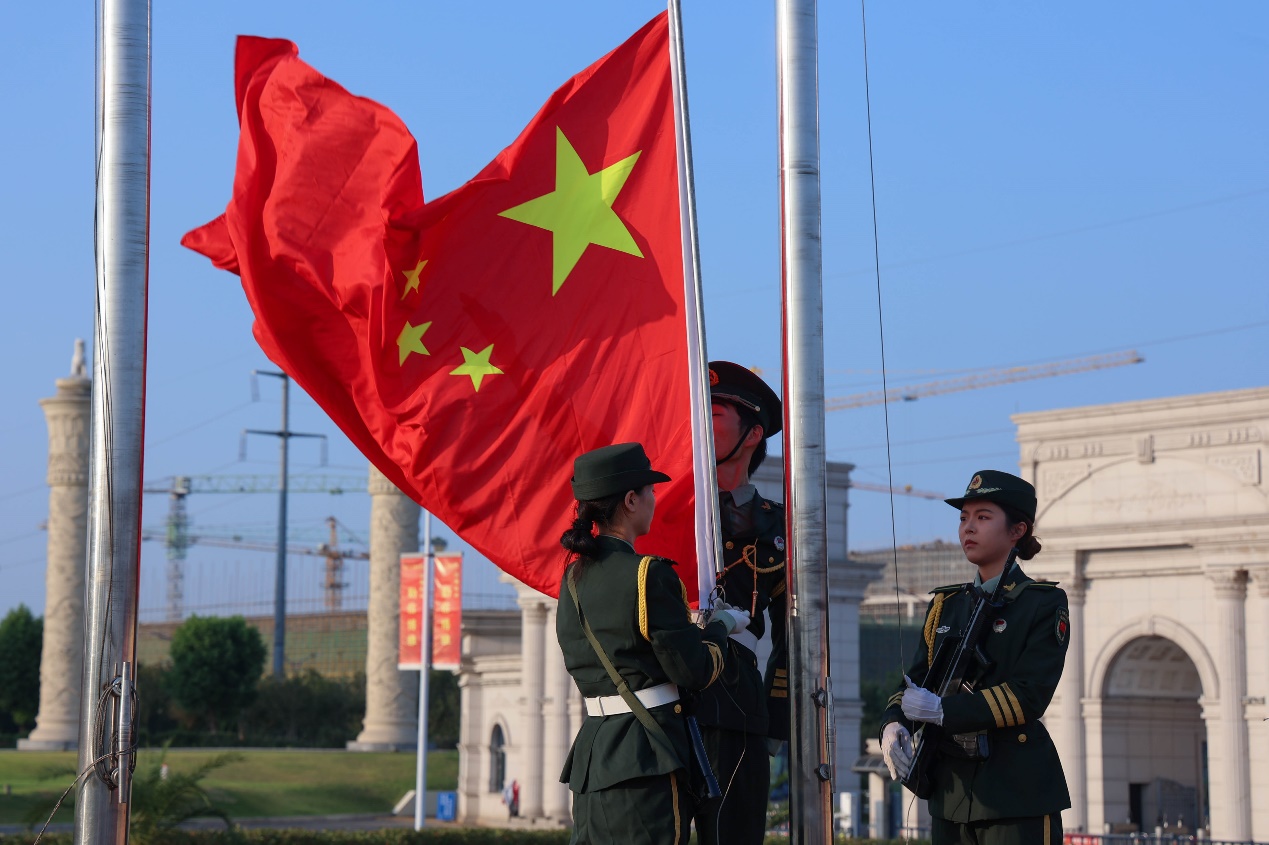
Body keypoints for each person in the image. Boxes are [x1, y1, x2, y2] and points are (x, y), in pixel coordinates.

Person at [557, 442, 752, 845]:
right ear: (630, 500)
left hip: (594, 757)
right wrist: (721, 626)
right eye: (650, 491)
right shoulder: (648, 574)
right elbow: (695, 670)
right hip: (646, 758)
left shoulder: (572, 580)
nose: (654, 499)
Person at [879, 470, 1071, 844]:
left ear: (1017, 530)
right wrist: (893, 722)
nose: (968, 527)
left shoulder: (1042, 603)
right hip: (949, 795)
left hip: (1015, 794)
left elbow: (1029, 695)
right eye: (964, 518)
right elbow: (916, 682)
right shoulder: (946, 605)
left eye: (983, 517)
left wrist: (943, 711)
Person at [692, 362, 789, 845]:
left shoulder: (778, 527)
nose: (698, 424)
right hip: (663, 701)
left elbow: (794, 638)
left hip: (737, 707)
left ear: (752, 434)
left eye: (712, 414)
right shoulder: (661, 509)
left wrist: (772, 723)